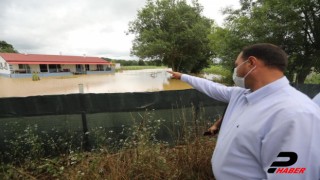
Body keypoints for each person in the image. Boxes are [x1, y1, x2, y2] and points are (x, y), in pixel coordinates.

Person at [168, 43, 320, 180]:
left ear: (251, 63)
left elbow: (292, 175)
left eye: (237, 65)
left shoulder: (295, 114)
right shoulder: (242, 94)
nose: (235, 71)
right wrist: (183, 76)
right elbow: (212, 87)